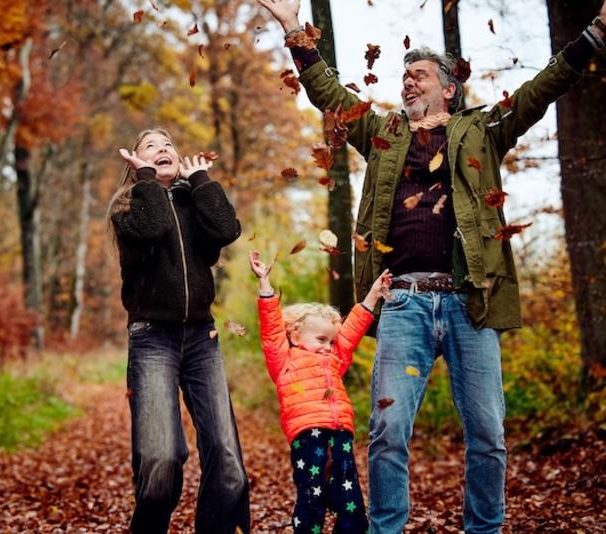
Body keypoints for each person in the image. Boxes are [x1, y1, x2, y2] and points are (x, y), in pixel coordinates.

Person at [257, 0, 606, 532]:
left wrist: (595, 33)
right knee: (388, 429)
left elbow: (541, 89)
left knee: (488, 434)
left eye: (419, 75)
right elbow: (328, 95)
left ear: (449, 87)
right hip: (403, 302)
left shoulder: (483, 130)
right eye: (403, 77)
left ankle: (483, 529)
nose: (408, 83)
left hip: (470, 301)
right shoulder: (384, 135)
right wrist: (293, 30)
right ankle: (387, 529)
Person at [108, 128, 250, 534]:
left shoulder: (193, 201)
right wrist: (148, 181)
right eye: (151, 146)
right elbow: (150, 229)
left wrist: (202, 182)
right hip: (153, 339)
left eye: (168, 144)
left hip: (202, 339)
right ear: (135, 162)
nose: (163, 149)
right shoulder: (128, 208)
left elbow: (226, 230)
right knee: (161, 459)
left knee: (228, 466)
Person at [249, 249, 391, 533]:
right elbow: (271, 330)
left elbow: (351, 330)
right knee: (311, 499)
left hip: (340, 436)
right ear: (296, 335)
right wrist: (265, 284)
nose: (329, 345)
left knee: (350, 502)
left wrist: (373, 295)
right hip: (309, 436)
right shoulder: (284, 360)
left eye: (331, 340)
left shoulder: (335, 359)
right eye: (321, 339)